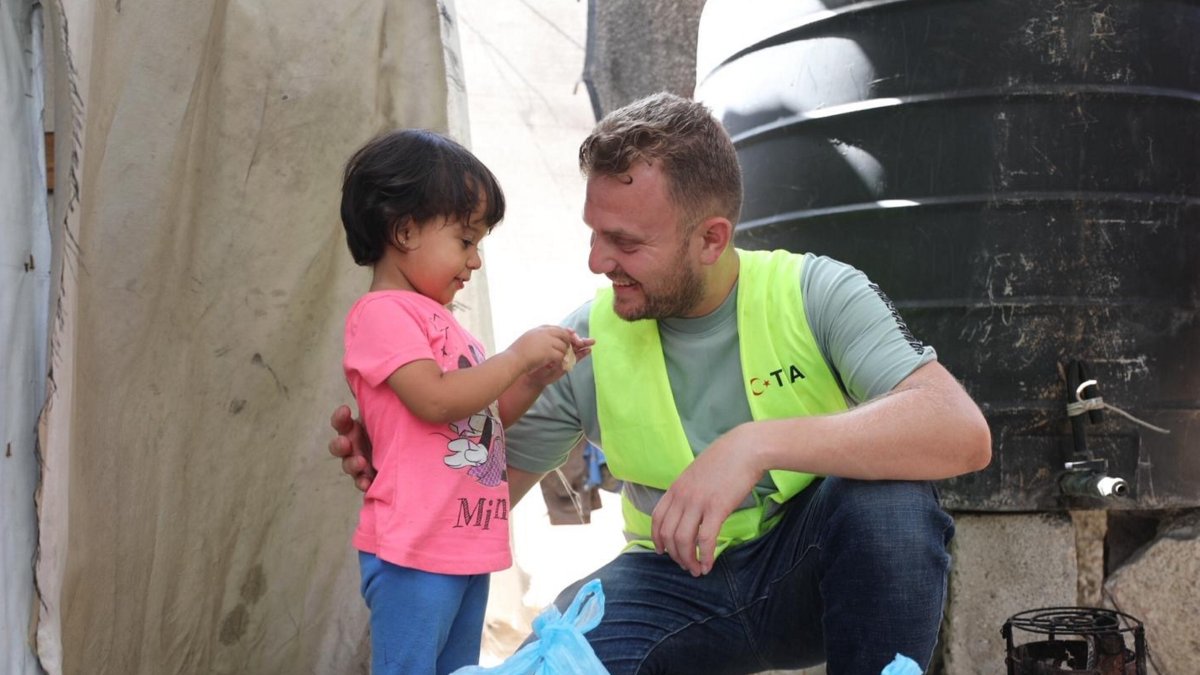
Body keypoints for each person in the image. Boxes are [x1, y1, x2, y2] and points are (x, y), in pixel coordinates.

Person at [330, 94, 992, 674]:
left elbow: (958, 431)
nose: (596, 261)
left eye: (623, 241)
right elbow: (483, 485)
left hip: (805, 578)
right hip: (665, 589)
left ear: (711, 238)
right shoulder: (579, 344)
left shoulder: (815, 292)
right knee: (558, 654)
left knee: (889, 503)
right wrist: (412, 454)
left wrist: (755, 444)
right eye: (594, 234)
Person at [337, 129, 592, 675]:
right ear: (404, 231)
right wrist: (518, 357)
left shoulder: (449, 326)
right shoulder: (383, 314)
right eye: (466, 240)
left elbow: (482, 420)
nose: (474, 261)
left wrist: (537, 377)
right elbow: (434, 401)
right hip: (413, 549)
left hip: (463, 543)